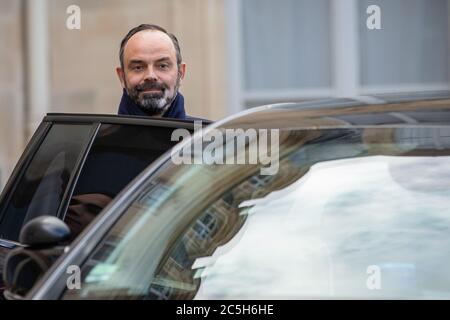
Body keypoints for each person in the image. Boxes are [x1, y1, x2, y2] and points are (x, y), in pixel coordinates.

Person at [116, 24, 189, 119]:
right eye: (138, 67)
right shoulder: (96, 133)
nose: (150, 76)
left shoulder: (207, 133)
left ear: (181, 73)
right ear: (122, 77)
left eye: (162, 66)